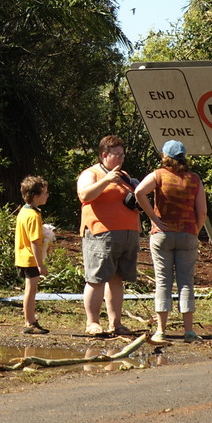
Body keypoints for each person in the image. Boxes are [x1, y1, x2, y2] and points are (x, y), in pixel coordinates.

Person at [135, 139, 207, 343]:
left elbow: (139, 192)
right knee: (186, 282)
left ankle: (161, 330)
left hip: (162, 234)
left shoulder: (158, 175)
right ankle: (189, 331)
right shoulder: (194, 179)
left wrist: (153, 217)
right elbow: (202, 211)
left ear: (165, 156)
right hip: (187, 233)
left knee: (163, 281)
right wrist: (194, 228)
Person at [76, 135, 141, 337]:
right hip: (100, 233)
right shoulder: (91, 173)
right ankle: (93, 322)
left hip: (126, 234)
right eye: (117, 155)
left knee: (117, 279)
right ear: (105, 155)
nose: (121, 159)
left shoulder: (124, 175)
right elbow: (84, 195)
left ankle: (116, 323)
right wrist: (105, 180)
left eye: (123, 155)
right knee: (97, 279)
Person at [15, 175, 51, 334]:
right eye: (45, 193)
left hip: (22, 256)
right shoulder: (33, 216)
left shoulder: (24, 211)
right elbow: (35, 242)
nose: (47, 195)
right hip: (30, 259)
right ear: (36, 196)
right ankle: (29, 322)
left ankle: (31, 320)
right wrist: (40, 264)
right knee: (31, 290)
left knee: (30, 290)